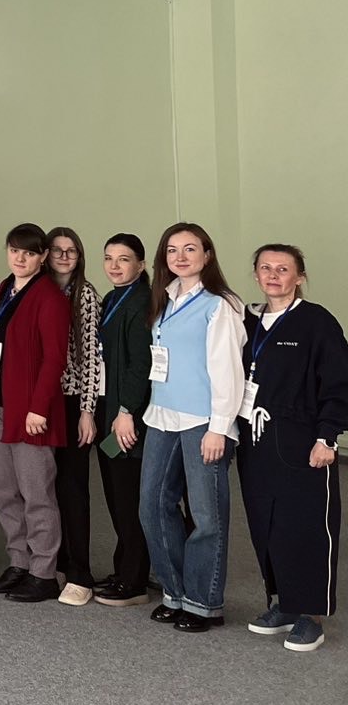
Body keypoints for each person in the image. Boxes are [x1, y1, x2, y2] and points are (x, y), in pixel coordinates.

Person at [238, 244, 348, 653]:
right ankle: (283, 602)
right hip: (255, 439)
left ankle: (310, 615)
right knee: (266, 524)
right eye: (265, 268)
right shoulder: (247, 321)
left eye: (283, 269)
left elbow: (339, 382)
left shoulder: (316, 322)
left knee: (305, 526)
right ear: (255, 275)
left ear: (299, 277)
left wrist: (327, 437)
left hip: (303, 441)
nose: (273, 275)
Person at [139, 223, 246, 633]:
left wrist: (220, 427)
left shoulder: (221, 304)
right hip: (162, 416)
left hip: (204, 421)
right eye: (172, 250)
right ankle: (175, 592)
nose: (180, 257)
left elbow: (228, 371)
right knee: (152, 506)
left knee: (206, 516)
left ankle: (204, 602)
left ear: (207, 255)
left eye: (189, 249)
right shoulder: (165, 299)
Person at [0, 225, 72, 604]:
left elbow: (54, 359)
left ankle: (44, 572)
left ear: (43, 256)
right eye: (15, 250)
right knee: (2, 487)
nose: (20, 258)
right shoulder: (5, 288)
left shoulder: (50, 298)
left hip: (29, 410)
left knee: (36, 492)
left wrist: (38, 408)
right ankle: (19, 561)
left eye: (29, 253)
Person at [93, 234, 154, 608]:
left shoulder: (142, 302)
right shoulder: (113, 298)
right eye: (109, 258)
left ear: (141, 265)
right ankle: (126, 569)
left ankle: (134, 581)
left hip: (127, 417)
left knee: (129, 498)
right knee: (117, 496)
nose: (114, 266)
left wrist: (126, 412)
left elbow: (141, 365)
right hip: (110, 409)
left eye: (124, 259)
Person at [47, 227, 105, 606]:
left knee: (72, 487)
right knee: (47, 486)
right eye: (58, 250)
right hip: (44, 402)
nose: (65, 257)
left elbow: (91, 360)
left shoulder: (84, 295)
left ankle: (80, 573)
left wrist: (87, 410)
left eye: (72, 251)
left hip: (72, 403)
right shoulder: (39, 290)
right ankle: (57, 562)